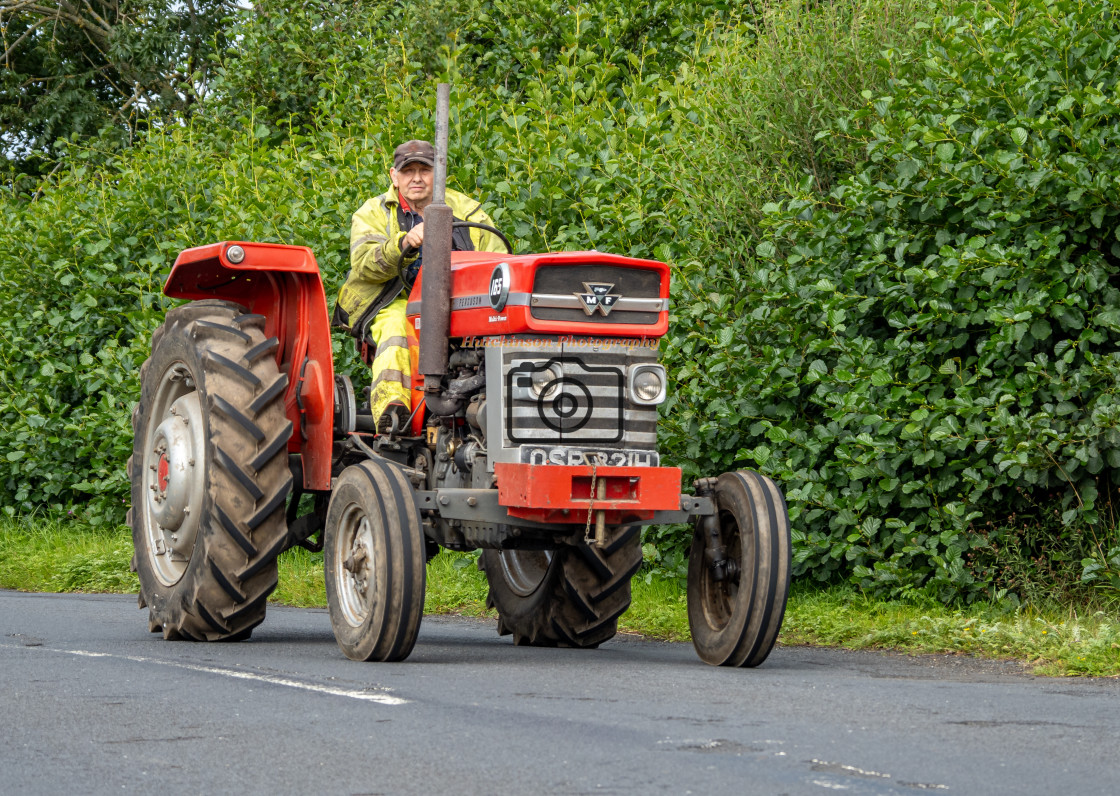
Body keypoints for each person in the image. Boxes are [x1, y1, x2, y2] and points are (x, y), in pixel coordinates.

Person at [333, 140, 506, 432]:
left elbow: (499, 259)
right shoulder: (373, 212)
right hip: (393, 299)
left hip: (459, 303)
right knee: (397, 326)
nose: (416, 178)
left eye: (424, 170)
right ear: (394, 175)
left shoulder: (467, 209)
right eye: (408, 170)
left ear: (438, 175)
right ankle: (394, 413)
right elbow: (363, 264)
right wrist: (403, 243)